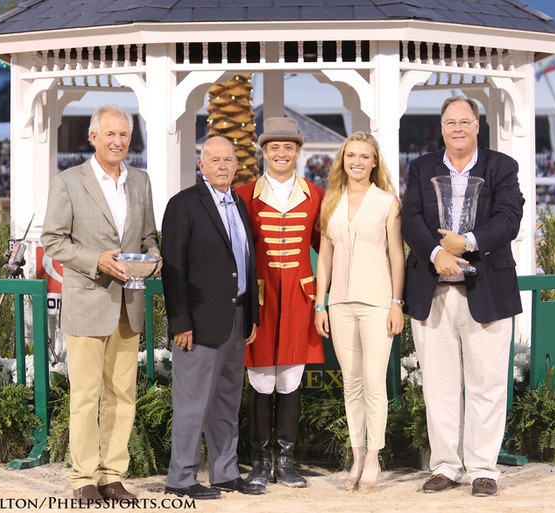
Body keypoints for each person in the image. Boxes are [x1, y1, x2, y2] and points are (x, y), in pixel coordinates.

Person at [401, 95, 524, 497]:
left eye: (465, 121)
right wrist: (437, 254)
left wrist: (464, 243)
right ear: (442, 128)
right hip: (433, 292)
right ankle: (445, 466)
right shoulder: (421, 168)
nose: (457, 128)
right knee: (438, 385)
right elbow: (411, 218)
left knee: (488, 384)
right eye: (450, 122)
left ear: (477, 125)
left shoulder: (502, 167)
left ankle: (483, 468)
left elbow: (509, 218)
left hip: (486, 291)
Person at [41, 104, 160, 502]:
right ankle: (83, 478)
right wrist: (96, 261)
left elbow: (148, 237)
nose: (117, 141)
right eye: (109, 134)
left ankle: (112, 474)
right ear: (93, 137)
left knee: (123, 395)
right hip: (88, 302)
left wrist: (154, 258)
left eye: (123, 134)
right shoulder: (68, 182)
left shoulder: (140, 182)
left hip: (129, 305)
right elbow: (53, 240)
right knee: (86, 396)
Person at [161, 136, 263, 500]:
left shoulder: (238, 203)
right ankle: (181, 478)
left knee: (226, 401)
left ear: (237, 166)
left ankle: (225, 471)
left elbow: (247, 262)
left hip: (236, 319)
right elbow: (172, 269)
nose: (222, 166)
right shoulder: (183, 205)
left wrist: (251, 313)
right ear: (200, 165)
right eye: (214, 160)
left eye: (228, 160)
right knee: (191, 402)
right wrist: (180, 322)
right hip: (198, 324)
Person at [236, 117, 325, 490]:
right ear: (264, 151)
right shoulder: (244, 195)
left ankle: (286, 460)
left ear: (298, 152)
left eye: (289, 147)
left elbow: (329, 246)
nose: (282, 153)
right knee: (260, 377)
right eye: (274, 147)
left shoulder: (317, 195)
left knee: (290, 379)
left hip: (301, 297)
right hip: (261, 297)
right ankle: (259, 460)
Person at [313, 132, 405, 492]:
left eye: (364, 156)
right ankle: (357, 453)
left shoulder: (387, 203)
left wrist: (397, 303)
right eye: (351, 155)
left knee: (373, 383)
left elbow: (397, 256)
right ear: (343, 160)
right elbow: (325, 258)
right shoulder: (330, 201)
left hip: (378, 302)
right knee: (350, 384)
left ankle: (374, 457)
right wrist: (321, 303)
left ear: (374, 162)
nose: (357, 162)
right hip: (339, 304)